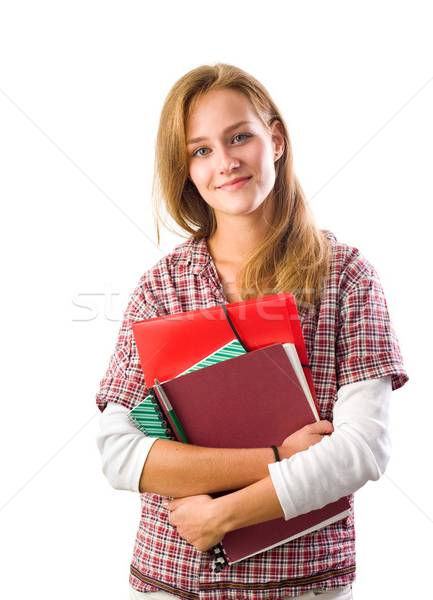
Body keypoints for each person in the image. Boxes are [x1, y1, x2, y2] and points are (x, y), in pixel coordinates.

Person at [96, 63, 408, 600]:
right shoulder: (159, 289)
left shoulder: (347, 277)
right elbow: (121, 455)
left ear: (276, 138)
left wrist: (222, 515)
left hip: (304, 584)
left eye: (239, 136)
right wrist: (279, 457)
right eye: (201, 150)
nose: (226, 162)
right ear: (187, 170)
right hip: (174, 581)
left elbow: (362, 450)